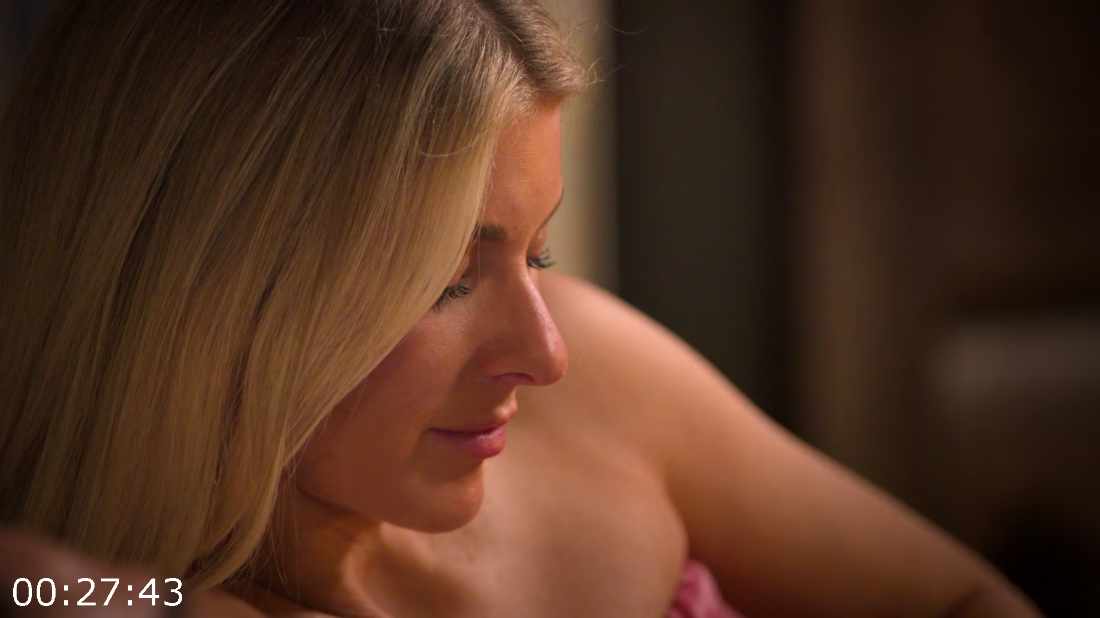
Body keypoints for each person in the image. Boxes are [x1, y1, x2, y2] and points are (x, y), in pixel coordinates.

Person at [0, 1, 1041, 616]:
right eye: (445, 280)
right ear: (204, 291)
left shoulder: (606, 374)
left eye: (536, 252)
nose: (545, 356)